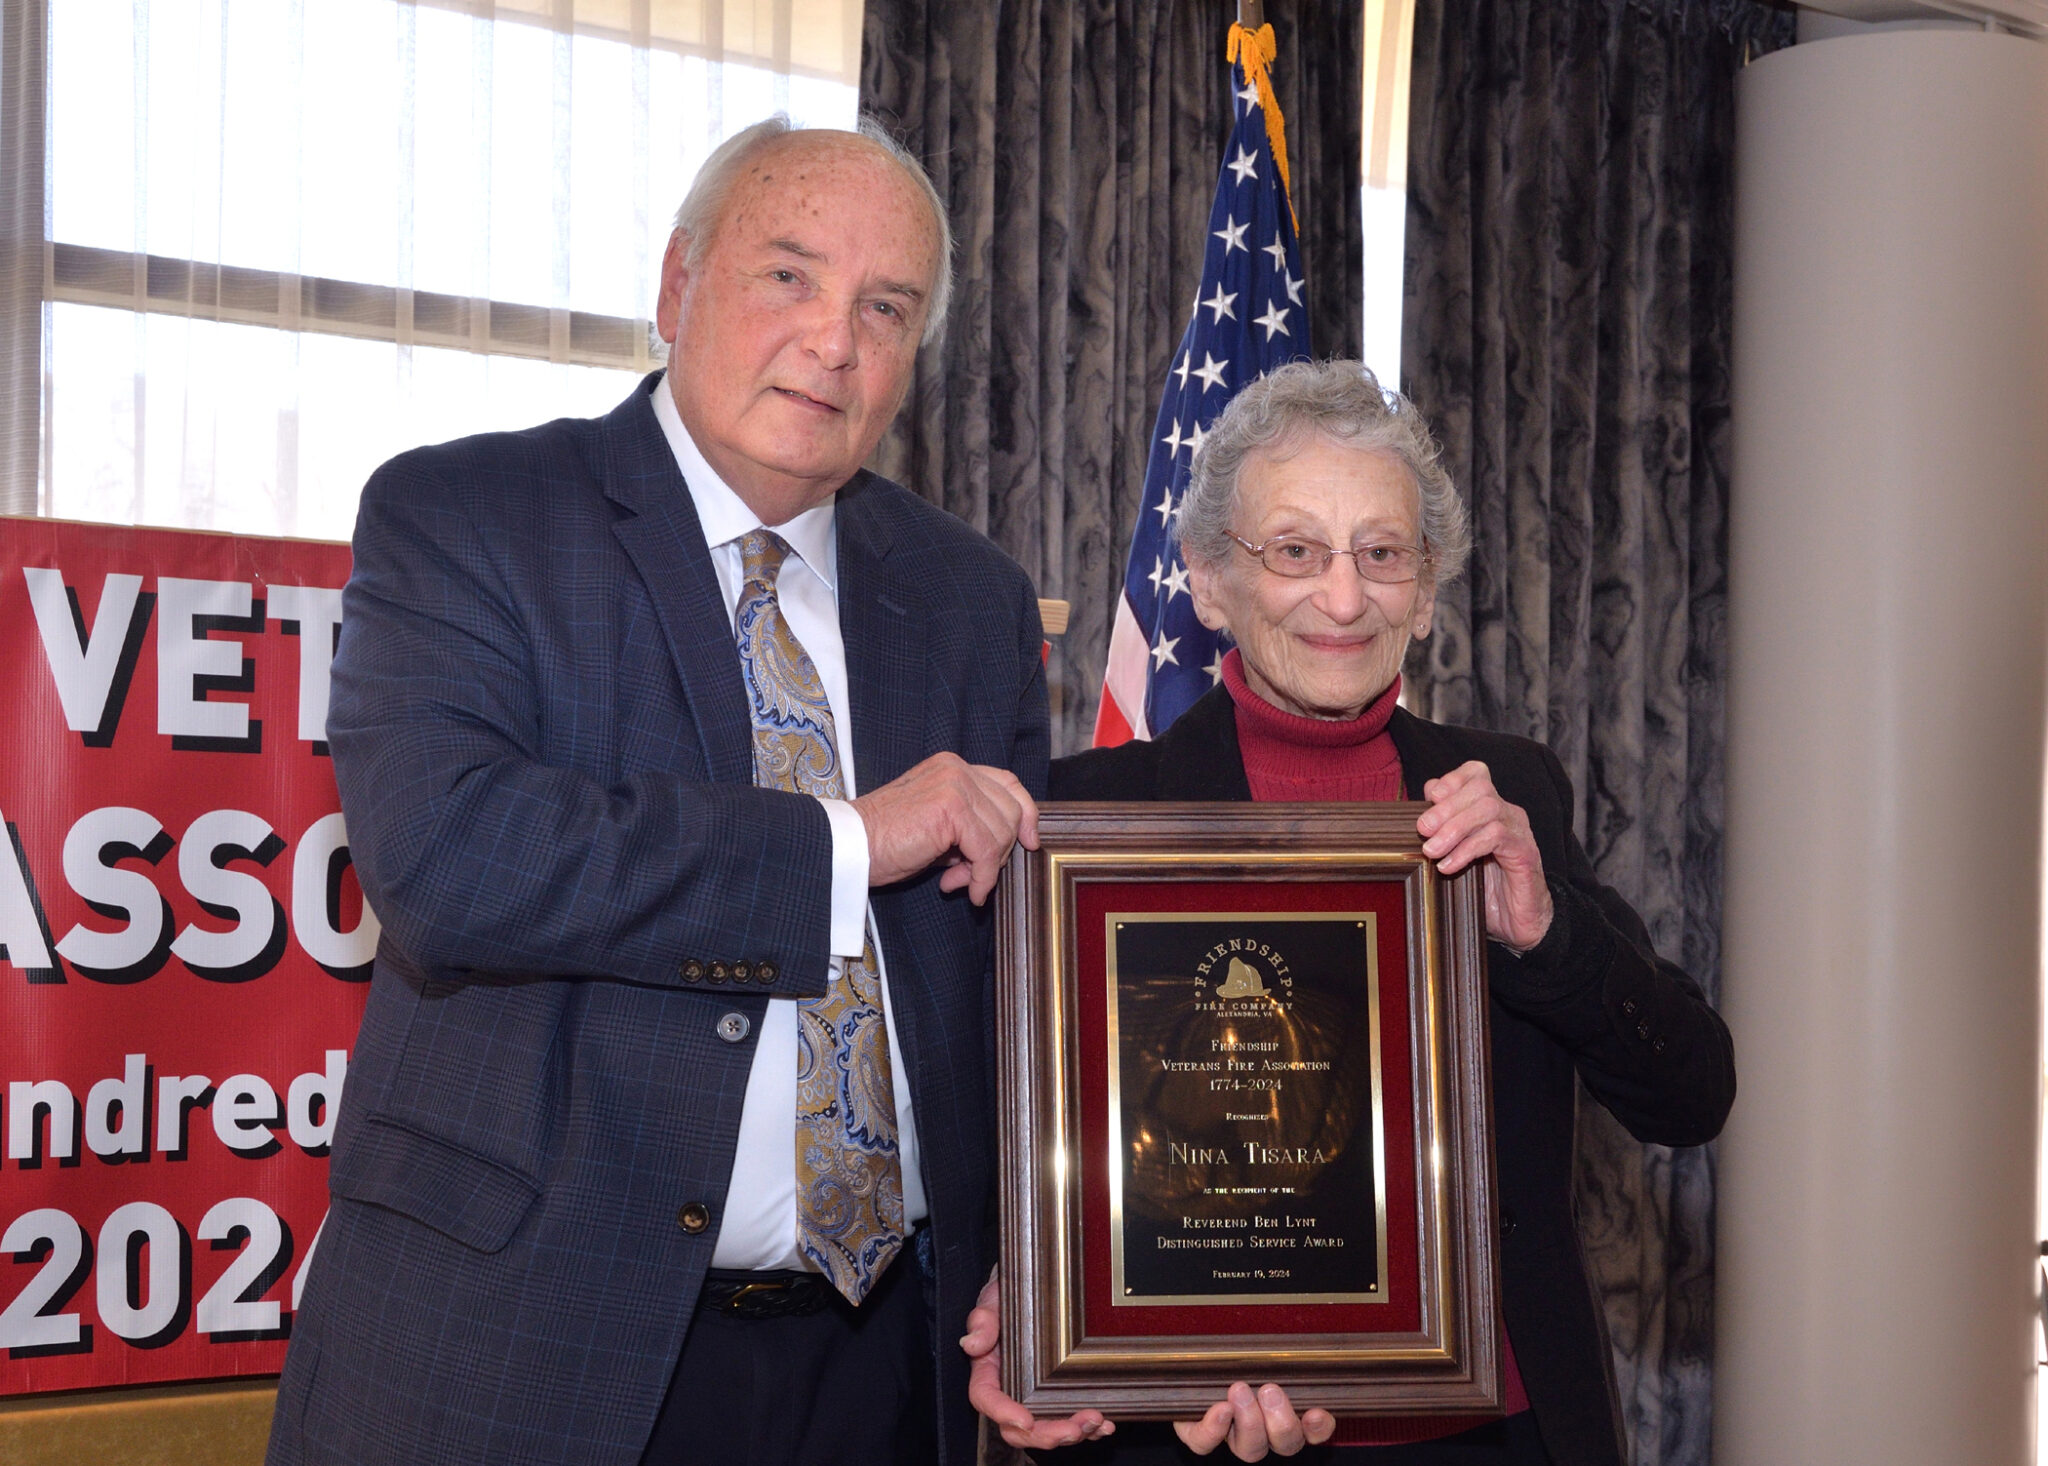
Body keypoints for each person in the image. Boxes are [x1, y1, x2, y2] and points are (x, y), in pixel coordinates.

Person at [265, 117, 1047, 1466]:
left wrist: (1060, 1275)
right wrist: (851, 840)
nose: (834, 340)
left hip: (885, 1369)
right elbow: (450, 861)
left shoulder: (971, 597)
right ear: (679, 286)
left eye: (886, 306)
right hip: (524, 1353)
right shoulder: (468, 516)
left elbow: (1019, 988)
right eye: (788, 275)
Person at [965, 359, 1735, 1465]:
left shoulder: (1503, 790)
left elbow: (1690, 1087)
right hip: (1196, 1425)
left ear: (1425, 589)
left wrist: (1543, 932)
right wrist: (1032, 1295)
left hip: (1489, 1427)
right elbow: (1032, 1144)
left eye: (1381, 553)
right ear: (1211, 581)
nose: (1341, 596)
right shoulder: (1087, 822)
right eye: (1293, 550)